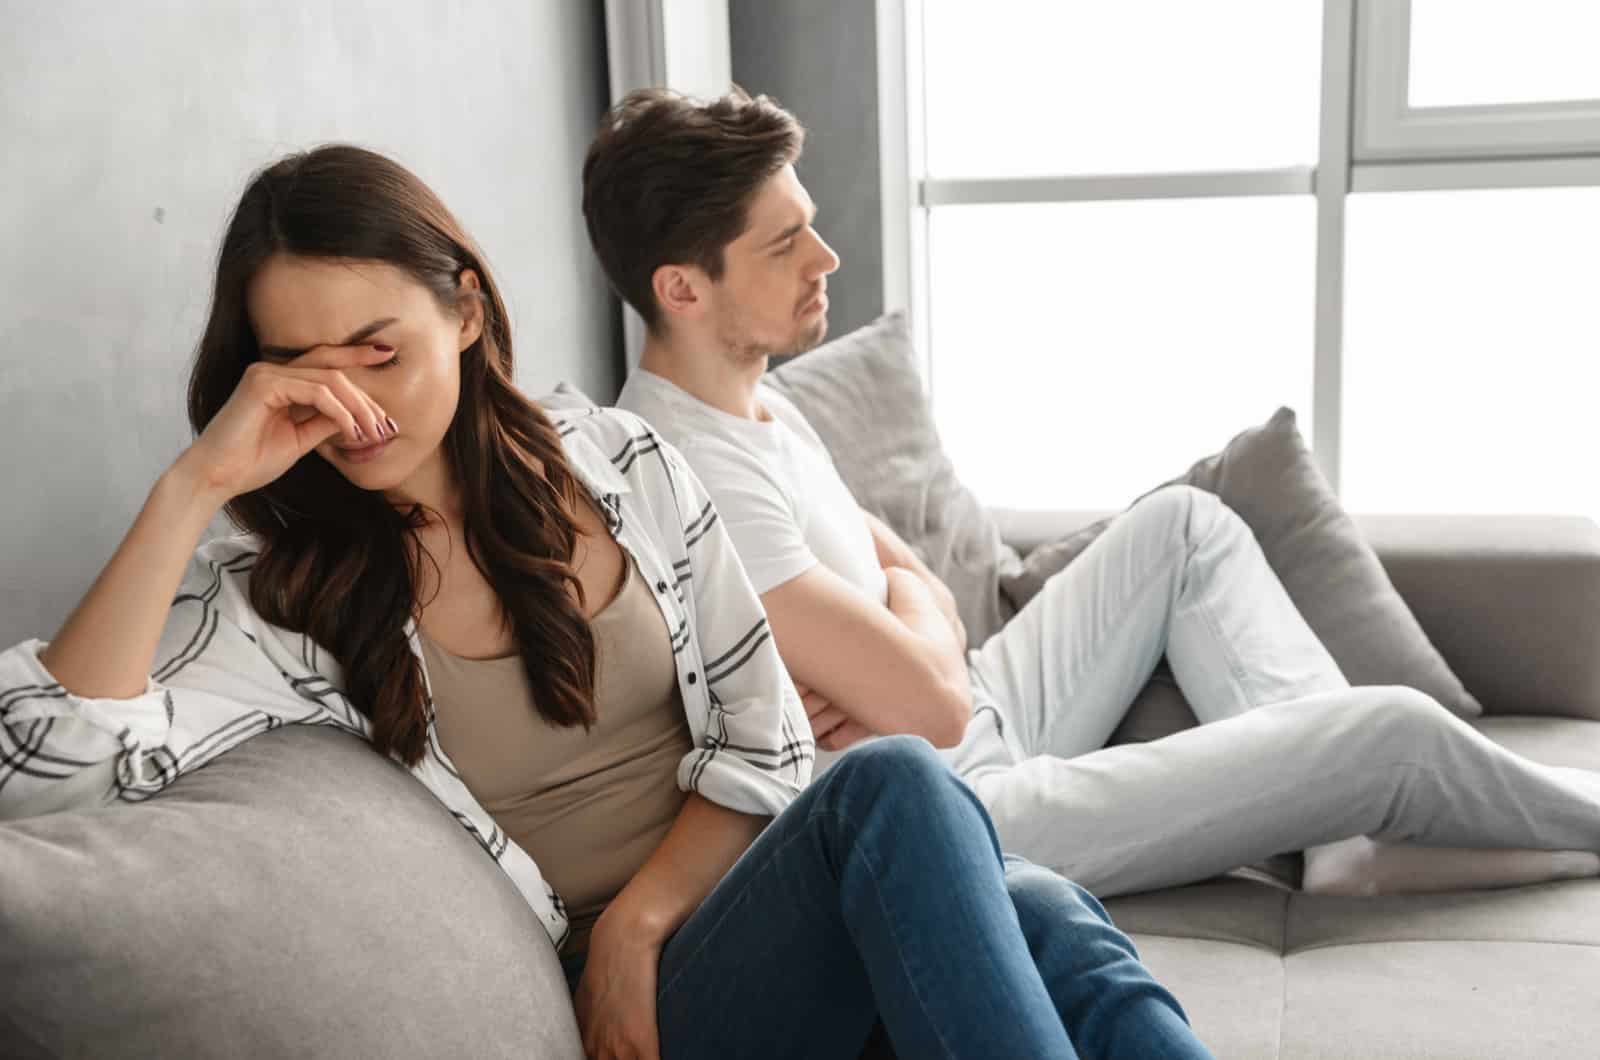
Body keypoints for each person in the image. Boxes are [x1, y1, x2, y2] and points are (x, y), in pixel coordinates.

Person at [0, 145, 1216, 1059]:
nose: (350, 405)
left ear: (465, 314)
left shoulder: (619, 461)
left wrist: (641, 918)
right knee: (900, 786)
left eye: (380, 349)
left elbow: (765, 731)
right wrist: (193, 482)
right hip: (656, 1011)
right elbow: (47, 765)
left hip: (702, 923)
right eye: (301, 368)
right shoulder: (282, 598)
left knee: (1045, 906)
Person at [593, 87, 1600, 901]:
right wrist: (918, 653)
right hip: (959, 806)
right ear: (682, 287)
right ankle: (1435, 808)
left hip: (979, 703)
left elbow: (910, 586)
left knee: (1184, 525)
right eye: (785, 245)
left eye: (808, 227)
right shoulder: (691, 472)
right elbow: (933, 720)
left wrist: (917, 627)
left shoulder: (755, 398)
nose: (827, 259)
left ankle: (1337, 834)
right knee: (1390, 731)